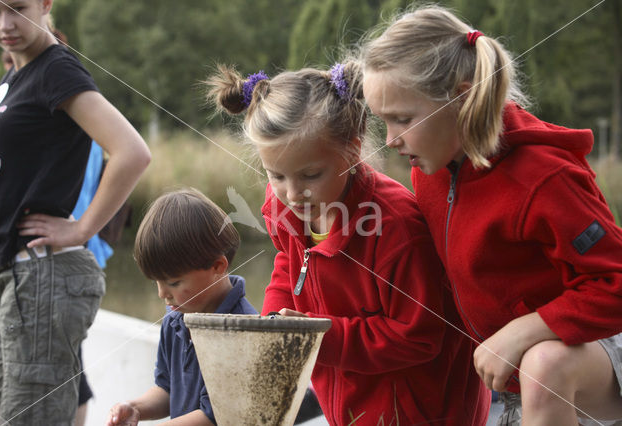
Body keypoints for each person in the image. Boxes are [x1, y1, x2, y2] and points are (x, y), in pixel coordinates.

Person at [361, 5, 622, 425]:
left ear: (462, 98)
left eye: (402, 120)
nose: (390, 140)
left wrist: (523, 330)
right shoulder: (430, 171)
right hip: (516, 386)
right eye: (383, 122)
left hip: (591, 359)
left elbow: (616, 284)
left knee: (544, 366)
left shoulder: (544, 176)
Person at [207, 64, 490, 425]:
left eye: (311, 175)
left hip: (423, 411)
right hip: (349, 406)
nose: (293, 194)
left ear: (352, 151)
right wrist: (276, 317)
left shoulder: (395, 228)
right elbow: (287, 260)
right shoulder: (285, 206)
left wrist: (317, 336)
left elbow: (420, 336)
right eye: (275, 175)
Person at [0, 0, 151, 424]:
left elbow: (132, 152)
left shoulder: (55, 69)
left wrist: (81, 230)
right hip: (13, 277)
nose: (5, 25)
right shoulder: (14, 76)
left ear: (45, 5)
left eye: (17, 8)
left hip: (44, 278)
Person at [107, 188, 258, 426]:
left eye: (174, 282)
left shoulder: (242, 331)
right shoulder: (175, 320)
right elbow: (167, 389)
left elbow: (216, 416)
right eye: (157, 282)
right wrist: (136, 408)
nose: (162, 294)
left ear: (217, 266)